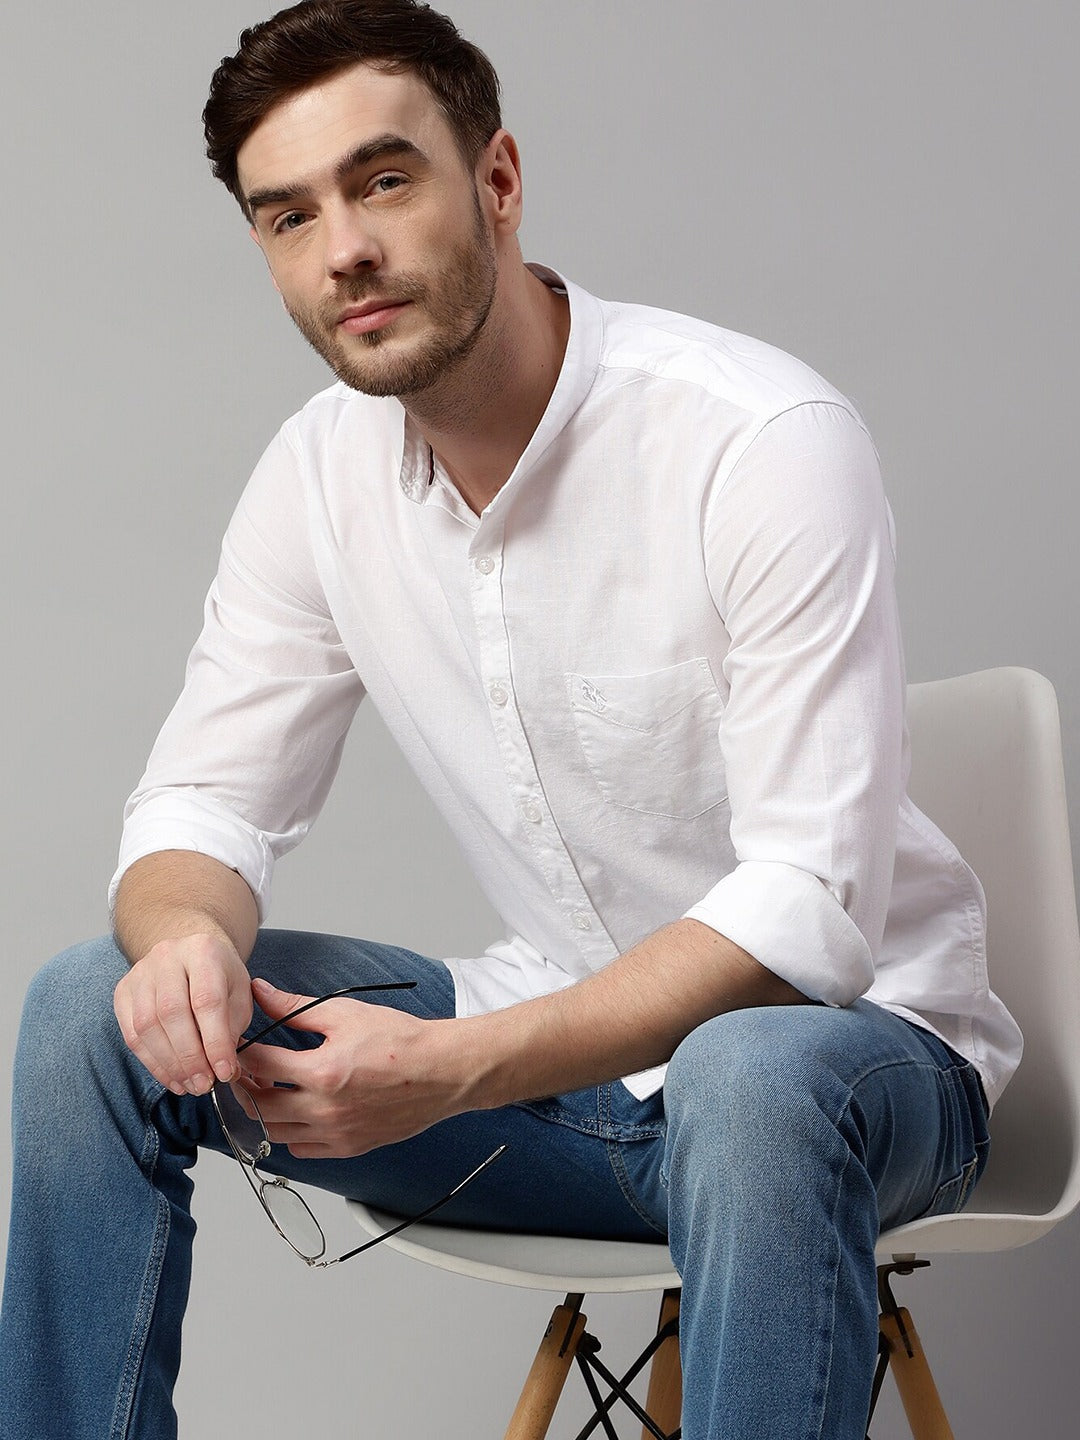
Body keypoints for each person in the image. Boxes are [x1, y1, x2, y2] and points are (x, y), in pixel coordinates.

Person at [0, 2, 1022, 1436]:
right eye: (289, 217)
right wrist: (184, 950)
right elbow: (202, 808)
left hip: (850, 1075)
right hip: (561, 1099)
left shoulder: (756, 441)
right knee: (87, 1006)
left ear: (497, 179)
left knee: (746, 1073)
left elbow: (807, 916)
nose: (343, 249)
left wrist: (448, 1069)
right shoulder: (315, 478)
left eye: (383, 181)